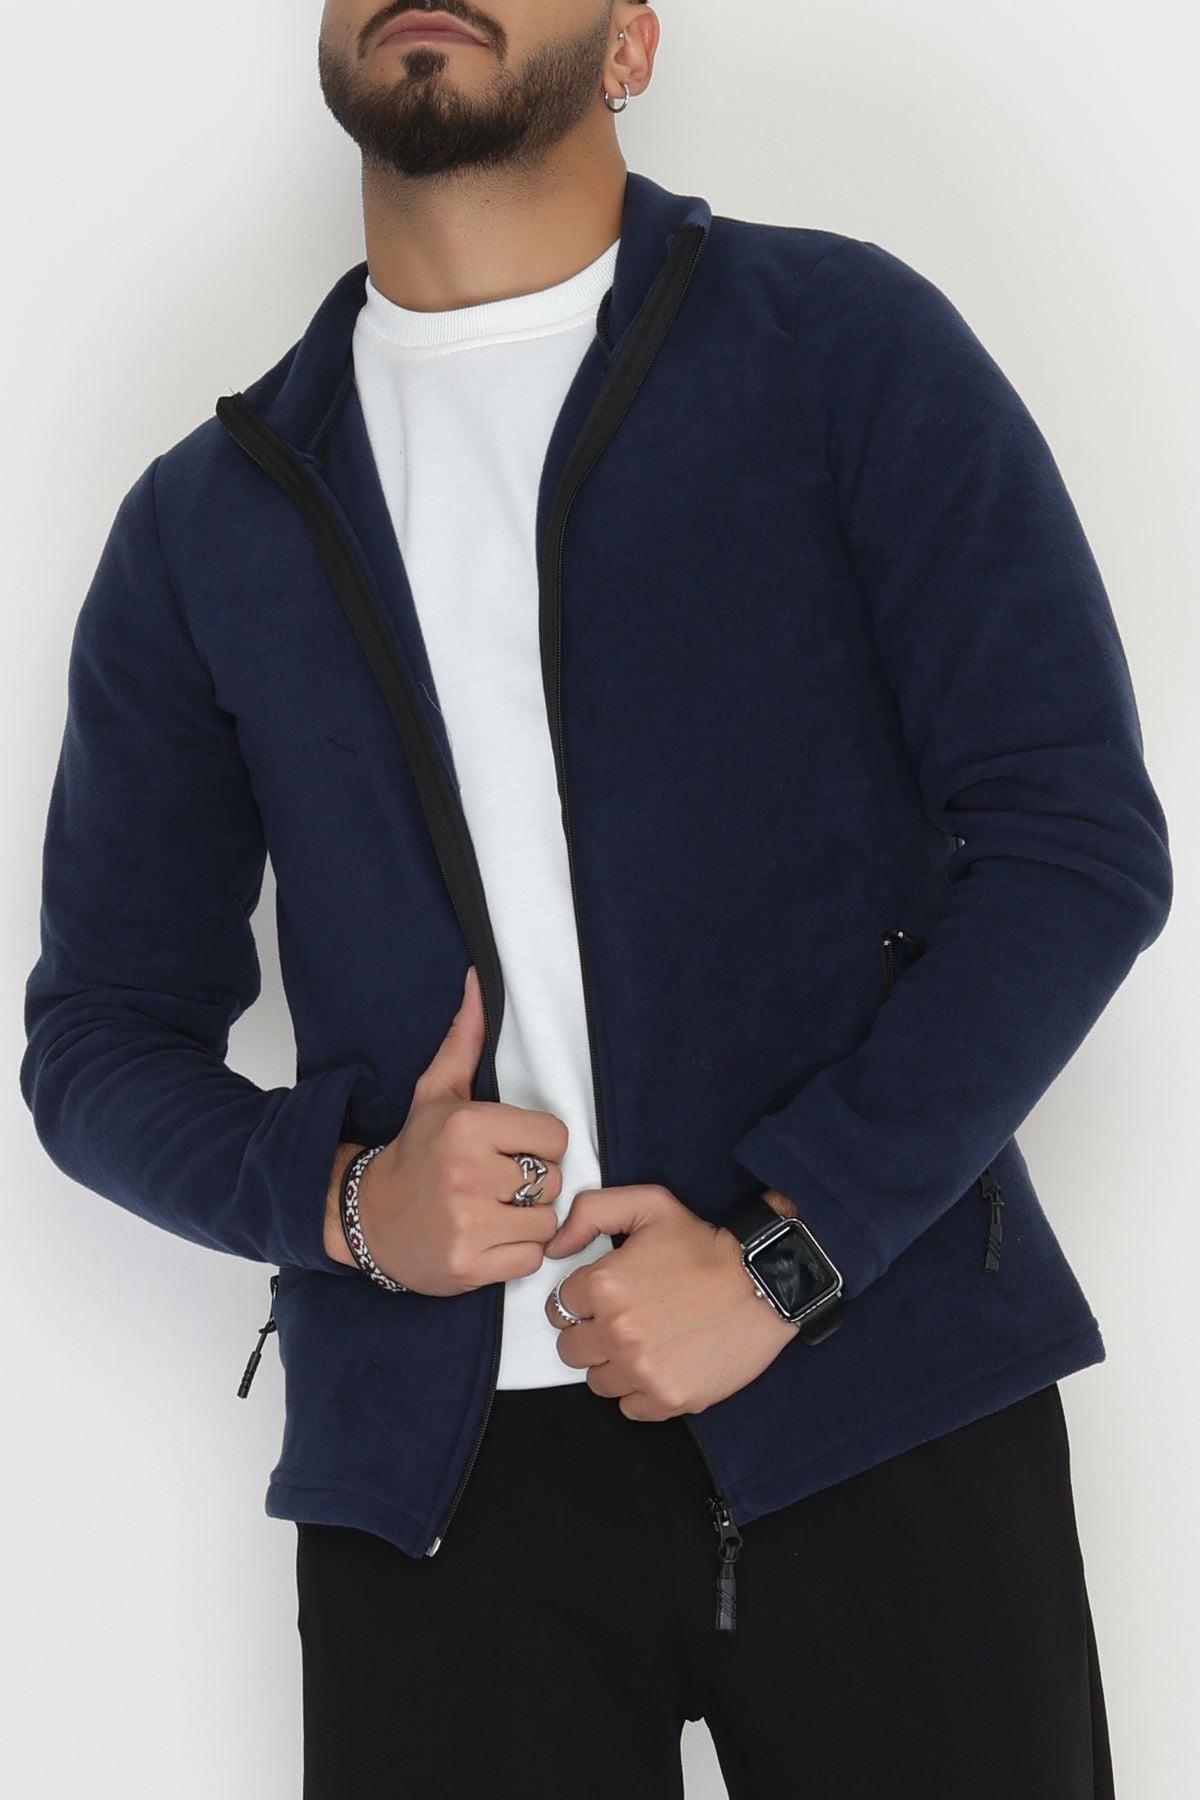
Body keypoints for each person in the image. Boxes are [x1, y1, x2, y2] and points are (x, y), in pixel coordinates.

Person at [21, 3, 1172, 1795]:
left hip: (878, 1403)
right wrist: (347, 1204)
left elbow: (1073, 840)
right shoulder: (207, 523)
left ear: (631, 44)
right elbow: (97, 1041)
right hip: (439, 1497)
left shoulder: (839, 345)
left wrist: (792, 1254)